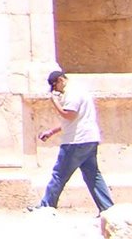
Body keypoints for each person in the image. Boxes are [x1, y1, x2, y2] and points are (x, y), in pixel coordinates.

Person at [32, 70, 114, 214]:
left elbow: (69, 115)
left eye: (55, 86)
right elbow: (73, 120)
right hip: (89, 139)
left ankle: (46, 206)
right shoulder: (79, 89)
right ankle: (108, 209)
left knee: (59, 174)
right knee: (92, 175)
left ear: (60, 80)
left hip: (76, 141)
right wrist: (51, 132)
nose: (56, 90)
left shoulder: (72, 92)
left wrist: (54, 102)